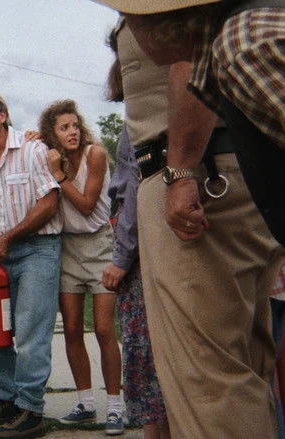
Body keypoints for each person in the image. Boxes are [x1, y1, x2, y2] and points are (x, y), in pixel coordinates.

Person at [89, 6, 285, 436]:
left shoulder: (204, 23)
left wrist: (181, 171)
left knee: (205, 373)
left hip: (195, 173)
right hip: (222, 168)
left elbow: (192, 58)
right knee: (240, 360)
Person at [89, 0, 285, 246]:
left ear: (157, 22)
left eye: (127, 17)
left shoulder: (242, 46)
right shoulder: (235, 41)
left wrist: (180, 173)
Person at [0, 89, 61, 439]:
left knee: (31, 333)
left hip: (38, 249)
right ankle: (8, 399)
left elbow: (49, 203)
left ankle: (31, 410)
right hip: (2, 256)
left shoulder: (32, 150)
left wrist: (7, 236)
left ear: (3, 115)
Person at [37, 99, 124, 435]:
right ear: (53, 134)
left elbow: (87, 206)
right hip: (68, 247)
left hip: (100, 245)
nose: (72, 132)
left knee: (103, 329)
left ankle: (115, 407)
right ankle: (86, 403)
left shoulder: (95, 154)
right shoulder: (51, 156)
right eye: (64, 128)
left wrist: (59, 175)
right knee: (72, 329)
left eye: (75, 125)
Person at [100, 22, 169, 439]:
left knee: (146, 353)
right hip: (154, 244)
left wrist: (121, 258)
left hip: (144, 253)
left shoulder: (140, 123)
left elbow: (133, 193)